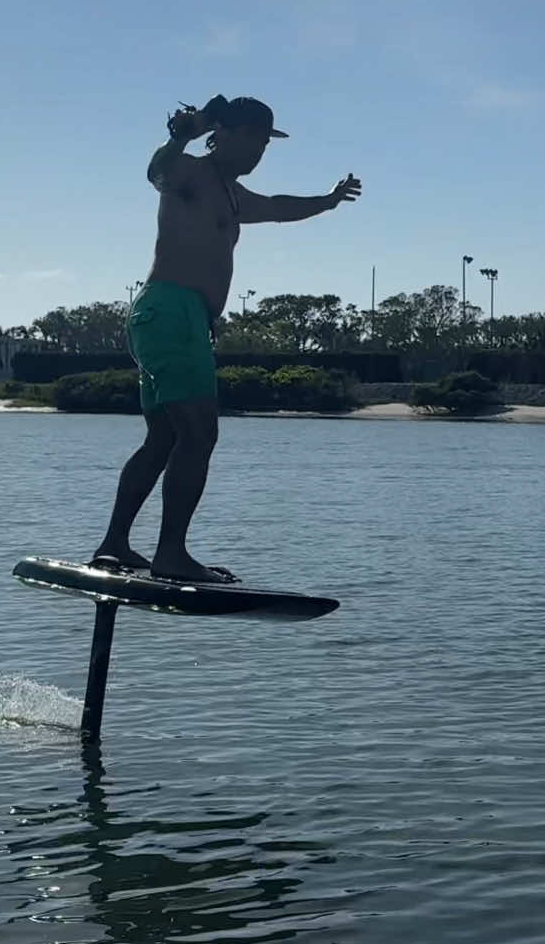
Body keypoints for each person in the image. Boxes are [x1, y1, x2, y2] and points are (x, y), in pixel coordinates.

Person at [91, 95, 362, 583]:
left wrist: (327, 201)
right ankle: (170, 554)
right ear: (228, 134)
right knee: (199, 433)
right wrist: (183, 133)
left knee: (164, 438)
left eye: (266, 146)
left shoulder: (232, 195)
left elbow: (279, 208)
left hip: (181, 320)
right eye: (255, 141)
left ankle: (114, 545)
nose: (260, 153)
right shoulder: (192, 173)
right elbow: (157, 172)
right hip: (169, 311)